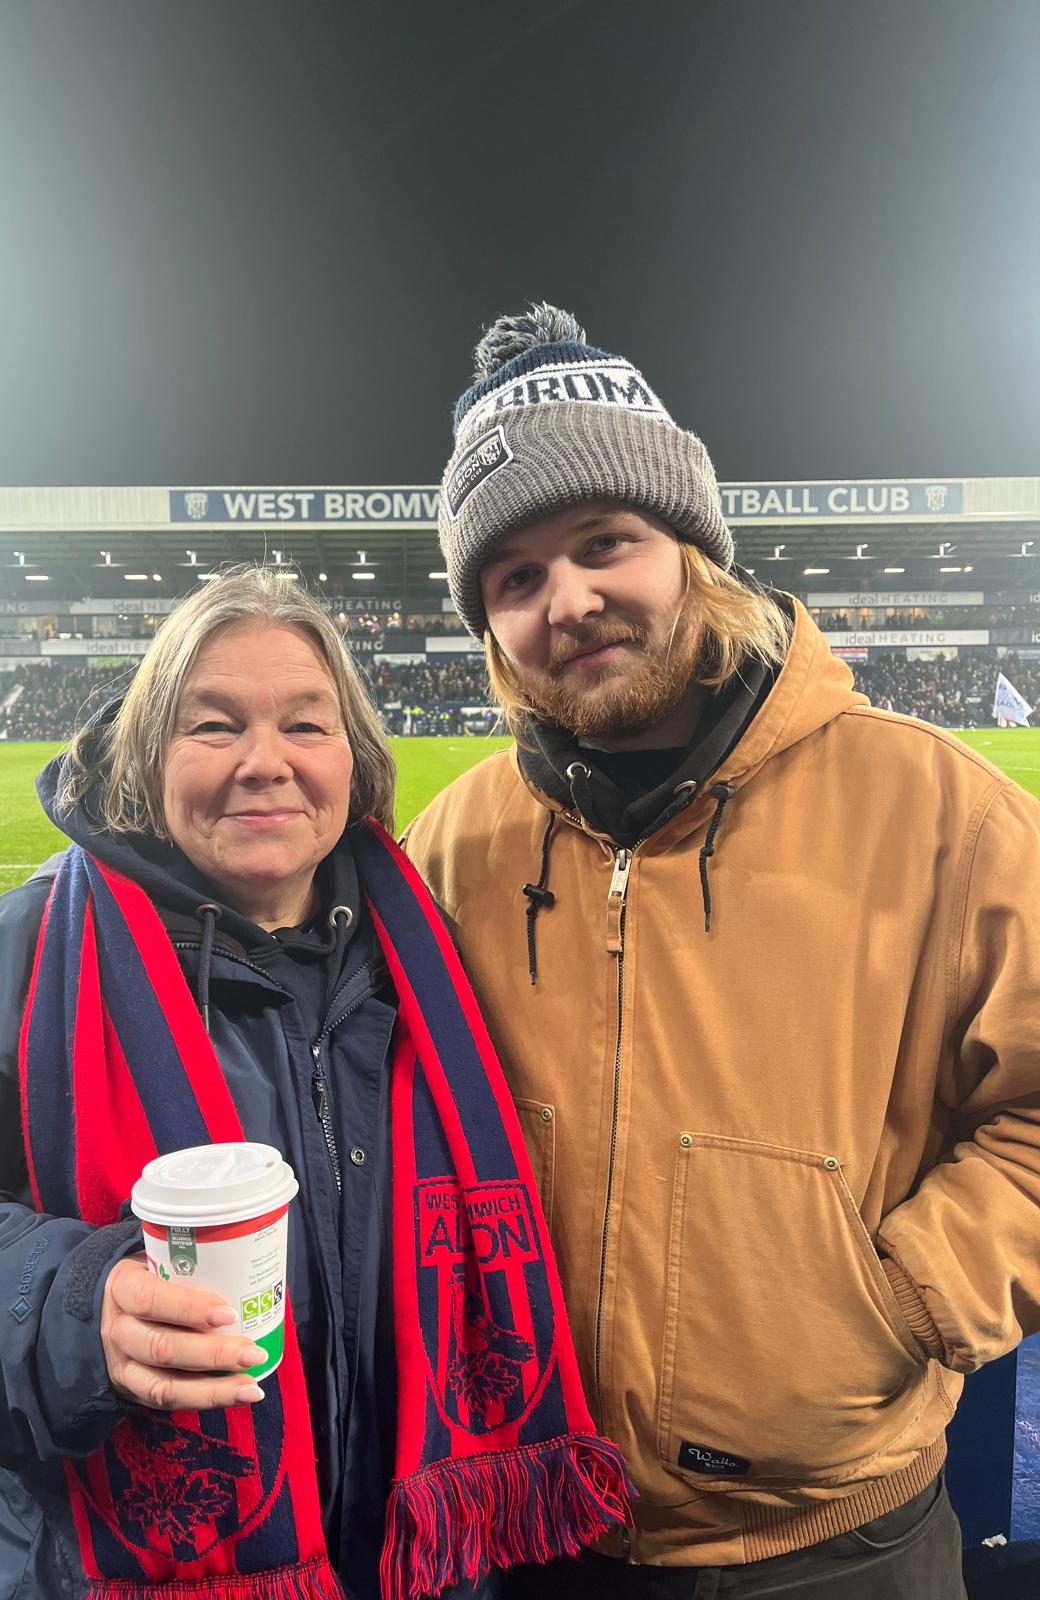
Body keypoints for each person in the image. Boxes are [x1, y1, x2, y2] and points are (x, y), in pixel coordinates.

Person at [403, 304, 1040, 1598]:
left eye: (604, 542)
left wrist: (902, 1299)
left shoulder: (944, 812)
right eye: (513, 578)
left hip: (838, 1541)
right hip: (542, 1528)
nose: (568, 600)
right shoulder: (454, 843)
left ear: (693, 548)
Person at [0, 568, 628, 1600]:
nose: (266, 762)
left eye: (306, 725)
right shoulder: (33, 953)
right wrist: (68, 1306)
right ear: (147, 757)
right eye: (213, 726)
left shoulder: (431, 958)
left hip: (412, 1565)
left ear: (355, 758)